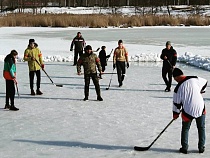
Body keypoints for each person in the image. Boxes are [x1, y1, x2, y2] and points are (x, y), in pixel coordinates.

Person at [172, 68, 207, 154]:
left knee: (185, 129)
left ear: (176, 77)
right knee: (201, 128)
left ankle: (184, 148)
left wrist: (175, 114)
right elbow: (205, 82)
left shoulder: (178, 88)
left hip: (187, 112)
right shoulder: (195, 78)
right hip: (200, 109)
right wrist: (201, 90)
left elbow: (176, 104)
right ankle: (201, 147)